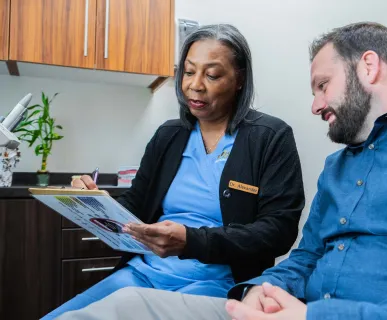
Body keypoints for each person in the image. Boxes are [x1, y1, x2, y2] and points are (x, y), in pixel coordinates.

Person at [58, 21, 387, 320]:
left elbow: (276, 230)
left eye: (322, 85)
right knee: (118, 306)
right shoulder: (339, 166)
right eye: (187, 73)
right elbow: (306, 255)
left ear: (368, 67)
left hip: (303, 308)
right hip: (280, 306)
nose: (315, 105)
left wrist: (316, 315)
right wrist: (258, 290)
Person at [42, 24, 305, 319]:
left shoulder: (269, 137)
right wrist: (95, 201)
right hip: (142, 272)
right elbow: (136, 207)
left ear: (240, 79)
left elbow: (278, 230)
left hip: (216, 283)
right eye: (189, 72)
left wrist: (192, 241)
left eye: (213, 74)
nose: (195, 85)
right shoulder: (169, 135)